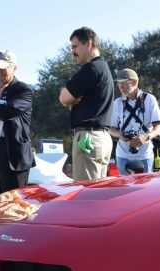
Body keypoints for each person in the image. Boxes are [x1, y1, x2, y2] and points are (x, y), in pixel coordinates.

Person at [59, 27, 114, 180]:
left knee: (86, 195)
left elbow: (63, 97)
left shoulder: (92, 68)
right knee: (97, 194)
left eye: (75, 46)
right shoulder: (103, 68)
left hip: (87, 139)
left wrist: (71, 98)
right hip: (100, 138)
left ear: (88, 44)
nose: (72, 51)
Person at [0, 50, 34, 198]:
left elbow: (9, 110)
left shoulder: (23, 90)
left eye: (3, 67)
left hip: (13, 154)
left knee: (15, 203)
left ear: (15, 67)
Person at [108, 68, 160, 175]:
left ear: (134, 82)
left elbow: (159, 126)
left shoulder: (149, 99)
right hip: (122, 154)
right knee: (125, 187)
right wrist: (120, 135)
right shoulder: (117, 103)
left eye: (124, 83)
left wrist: (146, 137)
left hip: (145, 154)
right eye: (119, 84)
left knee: (145, 188)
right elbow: (111, 128)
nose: (121, 87)